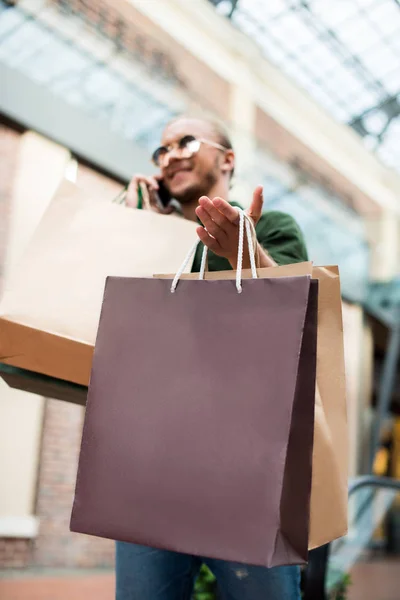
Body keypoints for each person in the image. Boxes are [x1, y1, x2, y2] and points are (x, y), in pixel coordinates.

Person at [116, 115, 308, 600]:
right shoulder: (144, 234)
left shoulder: (271, 227)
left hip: (248, 471)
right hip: (149, 464)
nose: (170, 156)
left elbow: (301, 325)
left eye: (184, 142)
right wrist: (127, 229)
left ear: (227, 160)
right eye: (160, 152)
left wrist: (251, 259)